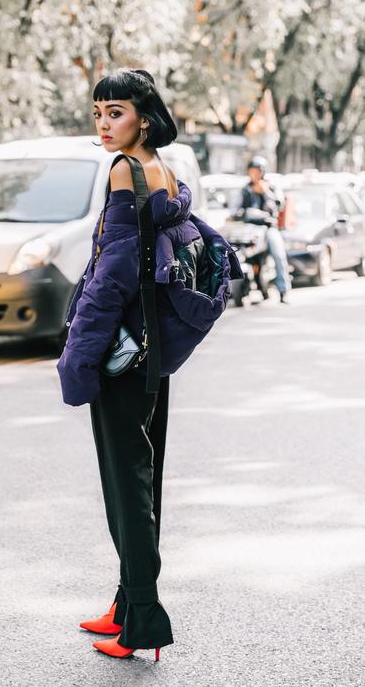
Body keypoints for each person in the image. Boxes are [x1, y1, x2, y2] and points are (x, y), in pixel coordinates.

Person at [56, 68, 241, 662]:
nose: (105, 124)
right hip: (152, 354)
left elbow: (110, 280)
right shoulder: (165, 168)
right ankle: (125, 605)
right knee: (143, 478)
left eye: (116, 112)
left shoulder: (122, 171)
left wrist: (77, 360)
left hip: (121, 357)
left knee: (126, 487)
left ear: (144, 113)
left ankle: (143, 623)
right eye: (98, 113)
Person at [234, 155, 292, 303]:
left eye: (257, 171)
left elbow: (279, 205)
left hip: (268, 228)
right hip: (250, 229)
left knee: (279, 254)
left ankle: (283, 290)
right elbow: (239, 208)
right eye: (251, 171)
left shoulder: (271, 187)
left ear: (262, 172)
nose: (254, 174)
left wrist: (265, 192)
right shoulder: (246, 189)